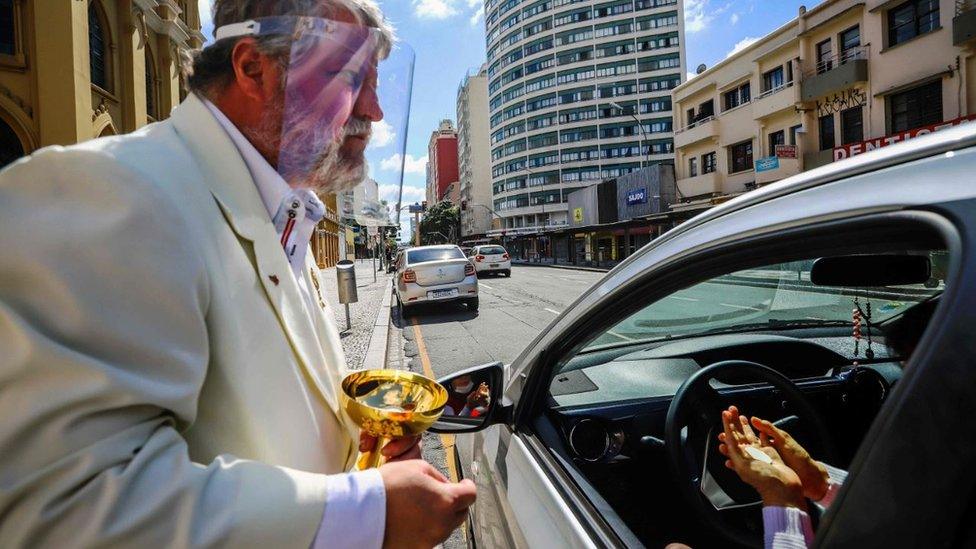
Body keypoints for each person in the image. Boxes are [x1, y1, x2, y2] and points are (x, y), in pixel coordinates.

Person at [0, 1, 474, 548]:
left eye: (374, 82)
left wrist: (363, 454)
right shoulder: (110, 191)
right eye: (349, 77)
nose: (374, 110)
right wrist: (366, 512)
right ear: (253, 68)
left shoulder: (281, 213)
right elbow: (63, 510)